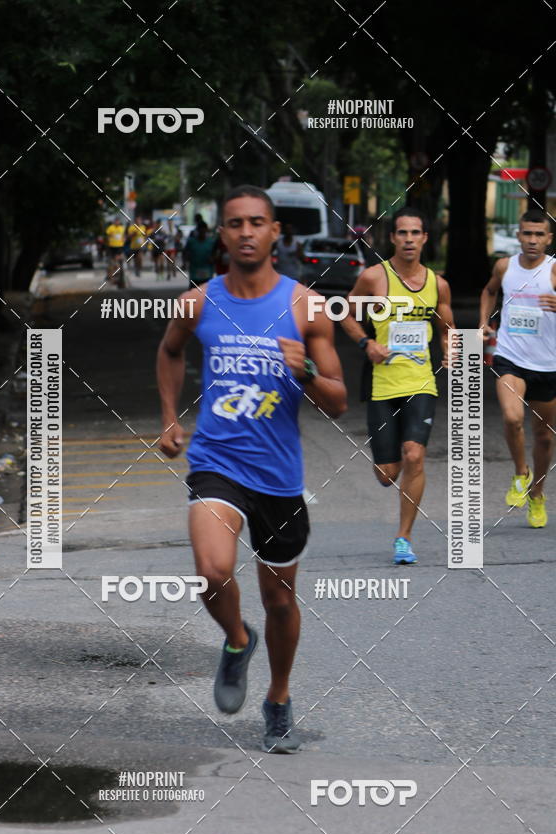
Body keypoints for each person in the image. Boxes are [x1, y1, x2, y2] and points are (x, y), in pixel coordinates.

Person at [157, 185, 347, 752]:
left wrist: (307, 371)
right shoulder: (197, 303)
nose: (246, 232)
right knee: (213, 572)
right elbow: (170, 351)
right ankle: (238, 640)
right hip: (216, 462)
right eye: (235, 223)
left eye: (257, 222)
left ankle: (279, 699)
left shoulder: (306, 307)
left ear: (274, 233)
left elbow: (339, 401)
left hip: (279, 476)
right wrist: (169, 418)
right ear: (222, 233)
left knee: (280, 601)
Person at [342, 206, 454, 564]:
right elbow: (344, 313)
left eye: (415, 233)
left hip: (421, 383)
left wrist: (450, 350)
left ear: (425, 238)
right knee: (386, 475)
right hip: (382, 384)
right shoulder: (374, 278)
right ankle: (396, 467)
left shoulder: (438, 284)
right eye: (402, 233)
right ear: (392, 238)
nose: (409, 239)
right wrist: (367, 343)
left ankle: (403, 538)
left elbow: (447, 329)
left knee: (414, 455)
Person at [479, 209, 556, 527]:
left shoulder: (554, 270)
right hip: (510, 357)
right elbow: (489, 291)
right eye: (527, 233)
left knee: (544, 437)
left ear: (549, 239)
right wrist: (483, 322)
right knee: (512, 417)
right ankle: (521, 473)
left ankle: (537, 494)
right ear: (518, 235)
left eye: (539, 235)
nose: (532, 240)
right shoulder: (505, 266)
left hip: (548, 364)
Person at [183, 221, 216, 289]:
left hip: (207, 273)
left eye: (203, 231)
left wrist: (213, 259)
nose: (202, 232)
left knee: (207, 292)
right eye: (201, 231)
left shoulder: (211, 242)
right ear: (198, 230)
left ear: (206, 230)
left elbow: (215, 255)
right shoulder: (191, 242)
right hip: (194, 273)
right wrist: (186, 261)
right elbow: (185, 252)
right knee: (194, 292)